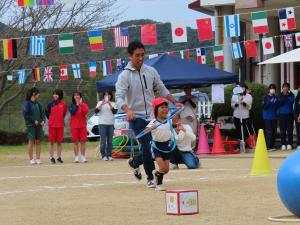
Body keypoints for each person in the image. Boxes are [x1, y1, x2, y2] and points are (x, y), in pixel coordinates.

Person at [115, 41, 182, 188]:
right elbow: (119, 97)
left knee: (155, 145)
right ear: (130, 56)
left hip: (153, 117)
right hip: (136, 117)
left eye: (142, 55)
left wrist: (174, 101)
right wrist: (128, 110)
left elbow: (161, 88)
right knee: (146, 146)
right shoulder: (124, 76)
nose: (140, 58)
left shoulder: (151, 71)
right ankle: (150, 177)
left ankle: (134, 162)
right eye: (137, 55)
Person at [147, 98, 177, 191]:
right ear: (156, 109)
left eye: (166, 107)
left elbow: (175, 122)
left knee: (166, 170)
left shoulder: (169, 121)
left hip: (166, 147)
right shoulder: (153, 122)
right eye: (162, 107)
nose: (164, 109)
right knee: (162, 167)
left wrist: (178, 110)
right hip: (157, 147)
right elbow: (144, 131)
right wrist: (151, 128)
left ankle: (157, 174)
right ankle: (158, 184)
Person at [22, 87, 45, 165]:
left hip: (39, 125)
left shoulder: (38, 104)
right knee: (31, 141)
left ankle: (38, 159)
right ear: (33, 94)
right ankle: (31, 159)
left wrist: (42, 121)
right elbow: (26, 115)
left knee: (38, 141)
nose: (39, 94)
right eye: (38, 93)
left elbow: (42, 113)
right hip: (30, 125)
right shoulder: (27, 103)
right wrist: (33, 120)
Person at [45, 89, 67, 164]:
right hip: (52, 125)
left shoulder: (64, 104)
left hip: (60, 125)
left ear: (60, 95)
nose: (54, 95)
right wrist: (52, 119)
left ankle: (59, 157)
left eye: (56, 94)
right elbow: (47, 113)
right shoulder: (50, 104)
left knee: (59, 142)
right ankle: (51, 157)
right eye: (54, 94)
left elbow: (63, 114)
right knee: (51, 142)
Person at [95, 91, 117, 161]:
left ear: (111, 96)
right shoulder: (100, 103)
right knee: (103, 141)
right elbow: (96, 111)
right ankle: (103, 155)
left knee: (110, 141)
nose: (107, 96)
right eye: (105, 95)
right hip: (102, 124)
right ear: (103, 96)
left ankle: (109, 155)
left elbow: (114, 112)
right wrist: (102, 103)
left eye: (108, 95)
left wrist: (109, 103)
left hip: (110, 124)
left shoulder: (113, 103)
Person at [69, 91, 89, 163]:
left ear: (80, 97)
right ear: (73, 97)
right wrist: (77, 105)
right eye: (75, 95)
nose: (76, 96)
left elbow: (85, 112)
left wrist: (80, 104)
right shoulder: (71, 105)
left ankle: (83, 156)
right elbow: (72, 112)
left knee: (83, 142)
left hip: (82, 125)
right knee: (75, 142)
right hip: (74, 126)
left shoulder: (84, 105)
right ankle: (76, 157)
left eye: (78, 95)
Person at [262, 84, 279, 151]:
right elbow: (264, 107)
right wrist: (269, 102)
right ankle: (268, 146)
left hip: (274, 117)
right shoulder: (265, 97)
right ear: (269, 89)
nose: (272, 90)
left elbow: (278, 106)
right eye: (271, 88)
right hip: (267, 117)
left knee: (274, 131)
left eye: (274, 88)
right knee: (269, 132)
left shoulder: (276, 97)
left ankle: (272, 146)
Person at [279, 83, 295, 151]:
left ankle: (289, 144)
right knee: (282, 130)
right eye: (284, 87)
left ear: (288, 88)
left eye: (286, 87)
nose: (285, 88)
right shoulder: (280, 95)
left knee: (289, 130)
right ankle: (283, 144)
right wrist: (283, 97)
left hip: (290, 115)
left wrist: (286, 96)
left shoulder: (292, 95)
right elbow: (280, 103)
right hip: (282, 115)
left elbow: (291, 102)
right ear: (282, 88)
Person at [294, 84, 300, 150]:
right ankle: (298, 143)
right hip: (297, 117)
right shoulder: (297, 98)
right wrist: (297, 116)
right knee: (298, 131)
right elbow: (295, 108)